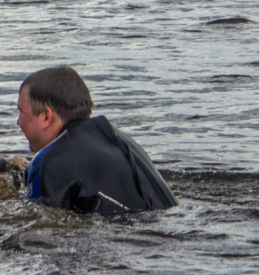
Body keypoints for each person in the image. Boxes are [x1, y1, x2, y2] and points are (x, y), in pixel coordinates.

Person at [16, 65, 176, 213]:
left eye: (21, 112)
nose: (18, 121)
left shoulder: (50, 161)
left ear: (46, 116)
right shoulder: (121, 139)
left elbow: (37, 219)